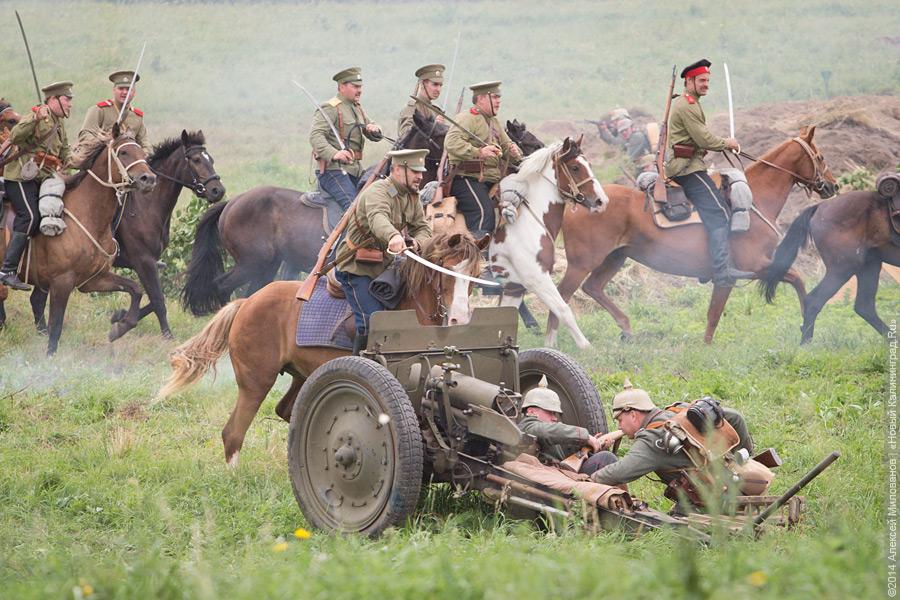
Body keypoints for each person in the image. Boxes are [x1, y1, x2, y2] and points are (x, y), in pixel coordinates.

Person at [590, 379, 769, 509]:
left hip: (713, 503)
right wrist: (745, 459)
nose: (619, 425)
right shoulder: (677, 413)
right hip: (741, 483)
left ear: (633, 414)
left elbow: (621, 471)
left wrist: (587, 480)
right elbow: (734, 417)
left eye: (620, 420)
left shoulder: (650, 440)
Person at [334, 148, 432, 355]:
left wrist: (416, 243)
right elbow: (378, 217)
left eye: (421, 171)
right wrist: (393, 236)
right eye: (415, 171)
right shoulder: (378, 191)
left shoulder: (412, 197)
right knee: (372, 323)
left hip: (387, 267)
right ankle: (358, 369)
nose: (420, 176)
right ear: (398, 169)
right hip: (357, 267)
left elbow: (423, 228)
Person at [665, 58, 753, 287]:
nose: (706, 84)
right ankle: (721, 273)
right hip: (687, 169)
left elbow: (697, 139)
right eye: (702, 80)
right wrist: (728, 142)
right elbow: (703, 138)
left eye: (707, 81)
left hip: (691, 163)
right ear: (690, 81)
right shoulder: (687, 106)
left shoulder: (690, 103)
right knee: (720, 214)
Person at [0, 81, 74, 291]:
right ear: (54, 99)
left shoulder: (59, 124)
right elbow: (14, 136)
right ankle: (7, 270)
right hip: (21, 177)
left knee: (54, 210)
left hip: (42, 178)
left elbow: (65, 152)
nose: (69, 104)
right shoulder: (36, 115)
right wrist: (35, 119)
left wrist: (76, 162)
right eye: (67, 99)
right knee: (30, 216)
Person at [444, 80, 522, 237]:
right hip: (467, 178)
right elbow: (451, 142)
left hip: (492, 180)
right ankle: (478, 255)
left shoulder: (493, 122)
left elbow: (507, 147)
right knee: (483, 214)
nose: (498, 100)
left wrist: (514, 152)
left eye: (499, 97)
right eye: (494, 97)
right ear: (481, 99)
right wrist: (479, 152)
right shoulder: (467, 118)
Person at [309, 67, 383, 212]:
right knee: (354, 209)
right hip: (333, 170)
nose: (360, 90)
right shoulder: (330, 108)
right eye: (355, 87)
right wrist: (334, 154)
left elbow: (372, 132)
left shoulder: (357, 108)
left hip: (354, 170)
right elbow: (315, 135)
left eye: (360, 86)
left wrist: (375, 130)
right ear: (342, 87)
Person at [518, 375, 605, 467]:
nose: (555, 418)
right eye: (550, 412)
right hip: (545, 476)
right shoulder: (527, 426)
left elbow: (565, 452)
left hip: (558, 473)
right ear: (531, 411)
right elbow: (549, 431)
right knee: (605, 458)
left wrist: (592, 444)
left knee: (603, 457)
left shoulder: (550, 435)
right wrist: (586, 436)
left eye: (554, 413)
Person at [76, 70, 150, 155]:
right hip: (102, 160)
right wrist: (104, 144)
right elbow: (85, 134)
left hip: (128, 162)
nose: (125, 92)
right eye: (121, 88)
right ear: (114, 90)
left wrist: (139, 154)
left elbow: (146, 145)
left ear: (134, 92)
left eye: (128, 89)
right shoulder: (99, 110)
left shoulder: (137, 117)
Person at [397, 64, 444, 138]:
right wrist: (432, 127)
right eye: (435, 84)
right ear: (422, 84)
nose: (438, 89)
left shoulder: (436, 111)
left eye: (440, 85)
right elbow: (405, 135)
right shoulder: (412, 108)